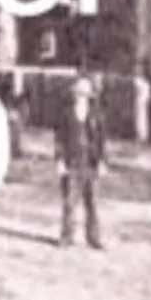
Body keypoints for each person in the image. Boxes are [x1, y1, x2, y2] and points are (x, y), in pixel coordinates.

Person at [55, 72, 106, 250]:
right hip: (72, 162)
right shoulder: (66, 114)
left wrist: (101, 161)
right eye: (79, 91)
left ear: (90, 94)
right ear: (74, 92)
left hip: (90, 162)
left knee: (92, 202)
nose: (82, 95)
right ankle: (66, 236)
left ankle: (93, 238)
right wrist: (60, 161)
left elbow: (101, 140)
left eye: (85, 92)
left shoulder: (96, 115)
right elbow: (59, 139)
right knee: (69, 201)